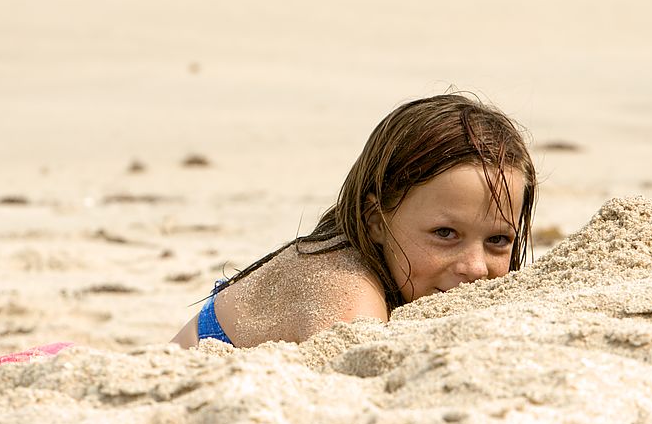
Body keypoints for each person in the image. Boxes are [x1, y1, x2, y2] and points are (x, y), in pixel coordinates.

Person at [171, 91, 537, 349]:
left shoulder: (396, 276)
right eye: (445, 233)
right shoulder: (347, 295)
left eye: (498, 240)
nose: (475, 267)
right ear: (375, 220)